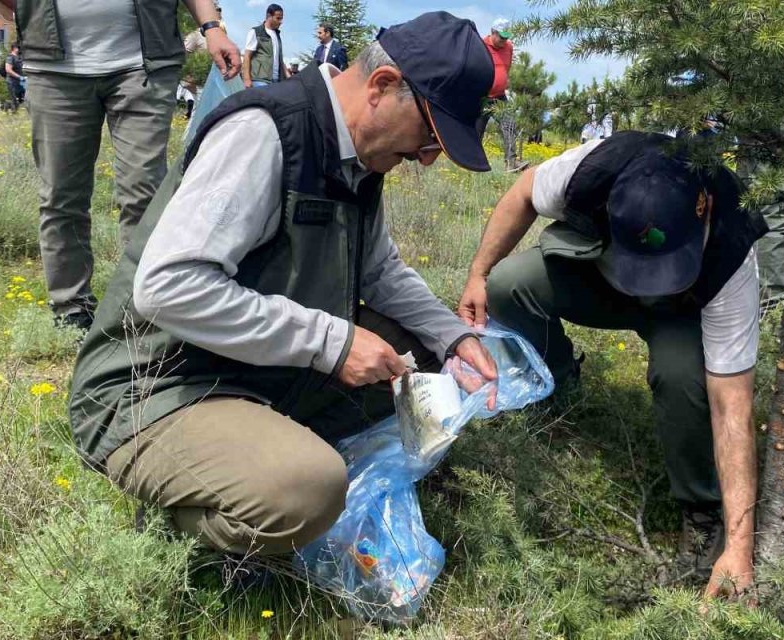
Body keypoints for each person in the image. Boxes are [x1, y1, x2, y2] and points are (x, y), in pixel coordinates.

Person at [68, 12, 499, 559]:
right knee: (309, 489)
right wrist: (331, 342)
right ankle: (194, 512)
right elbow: (168, 287)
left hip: (253, 365)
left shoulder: (360, 157)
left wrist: (453, 337)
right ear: (383, 87)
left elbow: (380, 272)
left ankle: (259, 447)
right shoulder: (266, 132)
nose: (428, 159)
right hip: (158, 385)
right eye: (430, 134)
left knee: (422, 353)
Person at [458, 131, 769, 599]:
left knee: (682, 378)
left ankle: (702, 512)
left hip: (680, 314)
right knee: (507, 285)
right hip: (605, 279)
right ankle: (558, 385)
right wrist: (477, 274)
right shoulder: (591, 169)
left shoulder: (732, 245)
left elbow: (733, 406)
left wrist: (741, 547)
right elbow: (521, 191)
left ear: (703, 207)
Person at [0, 0, 241, 330]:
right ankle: (71, 310)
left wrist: (212, 27)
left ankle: (144, 311)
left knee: (145, 194)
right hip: (53, 68)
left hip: (144, 64)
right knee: (61, 197)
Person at [474, 17, 512, 138]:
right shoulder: (481, 45)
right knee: (476, 132)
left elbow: (507, 67)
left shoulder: (509, 47)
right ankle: (475, 157)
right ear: (493, 32)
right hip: (483, 97)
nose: (504, 40)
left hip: (500, 96)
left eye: (506, 37)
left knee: (510, 126)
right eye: (502, 37)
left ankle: (511, 157)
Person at [242, 3, 286, 88]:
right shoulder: (255, 32)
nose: (280, 22)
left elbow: (280, 59)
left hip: (276, 81)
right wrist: (247, 79)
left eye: (281, 19)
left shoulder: (277, 35)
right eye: (278, 18)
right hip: (259, 80)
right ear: (269, 16)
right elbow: (247, 56)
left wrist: (288, 76)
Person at [3, 43, 23, 108]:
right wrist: (19, 77)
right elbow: (8, 70)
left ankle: (10, 108)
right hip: (12, 82)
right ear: (14, 48)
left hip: (20, 82)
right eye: (18, 48)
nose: (20, 50)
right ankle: (6, 107)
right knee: (14, 100)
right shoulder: (10, 57)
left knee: (21, 100)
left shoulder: (19, 57)